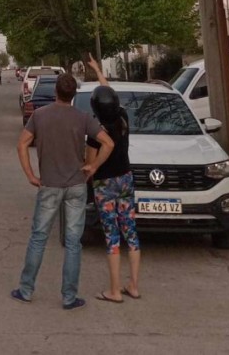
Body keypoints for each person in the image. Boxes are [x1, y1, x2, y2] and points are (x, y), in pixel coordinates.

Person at [12, 72, 114, 310]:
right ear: (73, 95)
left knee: (38, 238)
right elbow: (108, 143)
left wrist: (30, 175)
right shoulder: (83, 117)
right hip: (76, 186)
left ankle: (26, 289)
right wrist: (93, 166)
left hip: (49, 185)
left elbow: (22, 144)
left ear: (55, 91)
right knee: (73, 242)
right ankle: (69, 296)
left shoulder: (39, 116)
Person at [87, 55, 141, 303]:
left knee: (112, 237)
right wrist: (98, 70)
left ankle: (114, 290)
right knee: (131, 233)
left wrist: (89, 169)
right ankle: (134, 286)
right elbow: (108, 92)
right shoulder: (123, 119)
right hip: (126, 179)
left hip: (105, 184)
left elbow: (90, 163)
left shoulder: (96, 132)